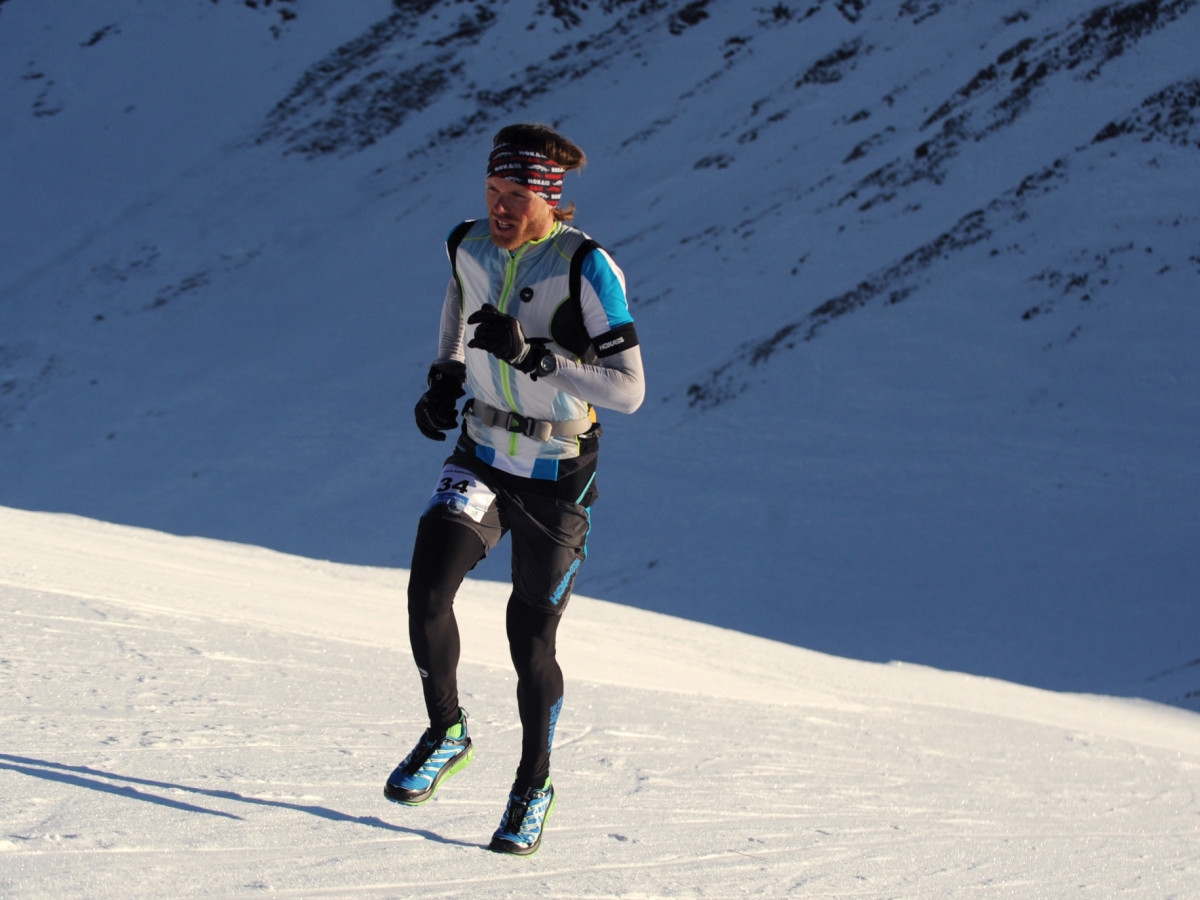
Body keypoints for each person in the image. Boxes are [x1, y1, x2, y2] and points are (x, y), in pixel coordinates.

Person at [385, 122, 645, 856]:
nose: (500, 207)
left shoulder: (587, 267)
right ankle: (446, 732)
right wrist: (443, 377)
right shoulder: (468, 243)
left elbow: (629, 390)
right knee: (427, 588)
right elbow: (457, 307)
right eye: (493, 191)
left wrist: (534, 356)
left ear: (551, 199)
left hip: (558, 473)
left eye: (517, 194)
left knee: (529, 639)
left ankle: (533, 784)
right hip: (482, 452)